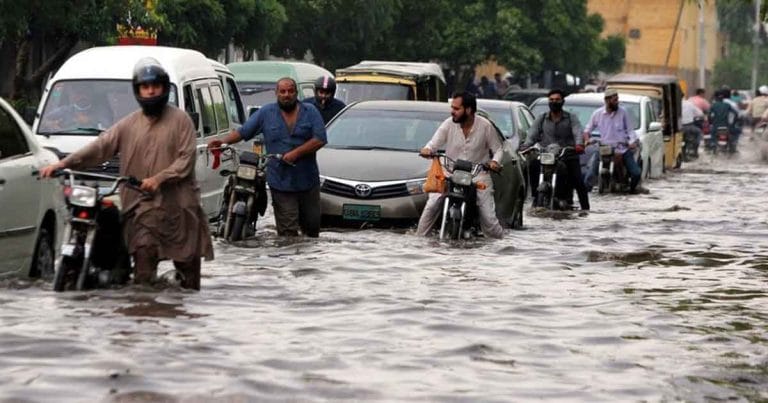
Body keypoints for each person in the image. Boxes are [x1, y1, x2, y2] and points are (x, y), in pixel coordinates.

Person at [40, 57, 213, 290]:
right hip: (142, 208)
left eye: (155, 86)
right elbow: (100, 147)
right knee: (142, 270)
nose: (151, 91)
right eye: (145, 86)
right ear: (138, 90)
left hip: (179, 209)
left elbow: (185, 160)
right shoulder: (128, 124)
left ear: (163, 88)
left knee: (189, 279)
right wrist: (62, 164)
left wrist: (158, 179)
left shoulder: (181, 121)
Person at [208, 77, 327, 237]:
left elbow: (320, 139)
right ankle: (288, 260)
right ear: (276, 93)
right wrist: (222, 142)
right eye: (283, 91)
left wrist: (295, 154)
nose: (287, 95)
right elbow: (243, 132)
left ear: (296, 93)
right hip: (280, 181)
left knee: (312, 232)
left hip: (307, 181)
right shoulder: (266, 113)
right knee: (287, 233)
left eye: (290, 91)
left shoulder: (310, 111)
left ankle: (307, 262)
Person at [416, 91, 504, 239]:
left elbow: (498, 149)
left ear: (468, 110)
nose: (452, 112)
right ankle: (419, 241)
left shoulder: (485, 126)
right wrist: (428, 150)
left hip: (478, 174)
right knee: (431, 205)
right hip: (450, 172)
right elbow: (433, 143)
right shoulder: (448, 124)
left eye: (456, 109)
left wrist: (494, 162)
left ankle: (499, 248)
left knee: (489, 218)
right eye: (452, 108)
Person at [521, 89, 589, 211]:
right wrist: (526, 145)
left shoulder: (571, 118)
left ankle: (585, 209)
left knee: (579, 182)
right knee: (533, 165)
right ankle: (536, 196)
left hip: (567, 154)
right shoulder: (542, 118)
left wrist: (579, 144)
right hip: (546, 155)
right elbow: (532, 134)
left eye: (557, 100)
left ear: (563, 101)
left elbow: (578, 132)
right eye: (551, 100)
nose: (554, 102)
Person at [583, 89, 642, 193]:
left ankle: (631, 190)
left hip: (622, 149)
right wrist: (587, 139)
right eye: (615, 100)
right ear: (607, 100)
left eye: (617, 99)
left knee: (636, 173)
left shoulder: (623, 112)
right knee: (590, 175)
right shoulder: (597, 114)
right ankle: (584, 196)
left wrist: (632, 142)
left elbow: (630, 130)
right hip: (604, 148)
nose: (617, 102)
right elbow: (587, 130)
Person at [39, 83, 113, 131]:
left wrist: (90, 120)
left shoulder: (101, 110)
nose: (81, 96)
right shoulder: (65, 110)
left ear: (91, 95)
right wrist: (50, 124)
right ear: (73, 96)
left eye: (85, 93)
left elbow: (108, 125)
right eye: (78, 93)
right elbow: (43, 120)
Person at [709, 88, 740, 152]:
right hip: (726, 126)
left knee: (712, 137)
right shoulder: (728, 105)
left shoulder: (713, 105)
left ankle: (713, 145)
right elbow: (736, 114)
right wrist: (733, 122)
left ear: (716, 98)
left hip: (716, 126)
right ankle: (733, 146)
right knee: (734, 135)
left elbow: (709, 115)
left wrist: (711, 122)